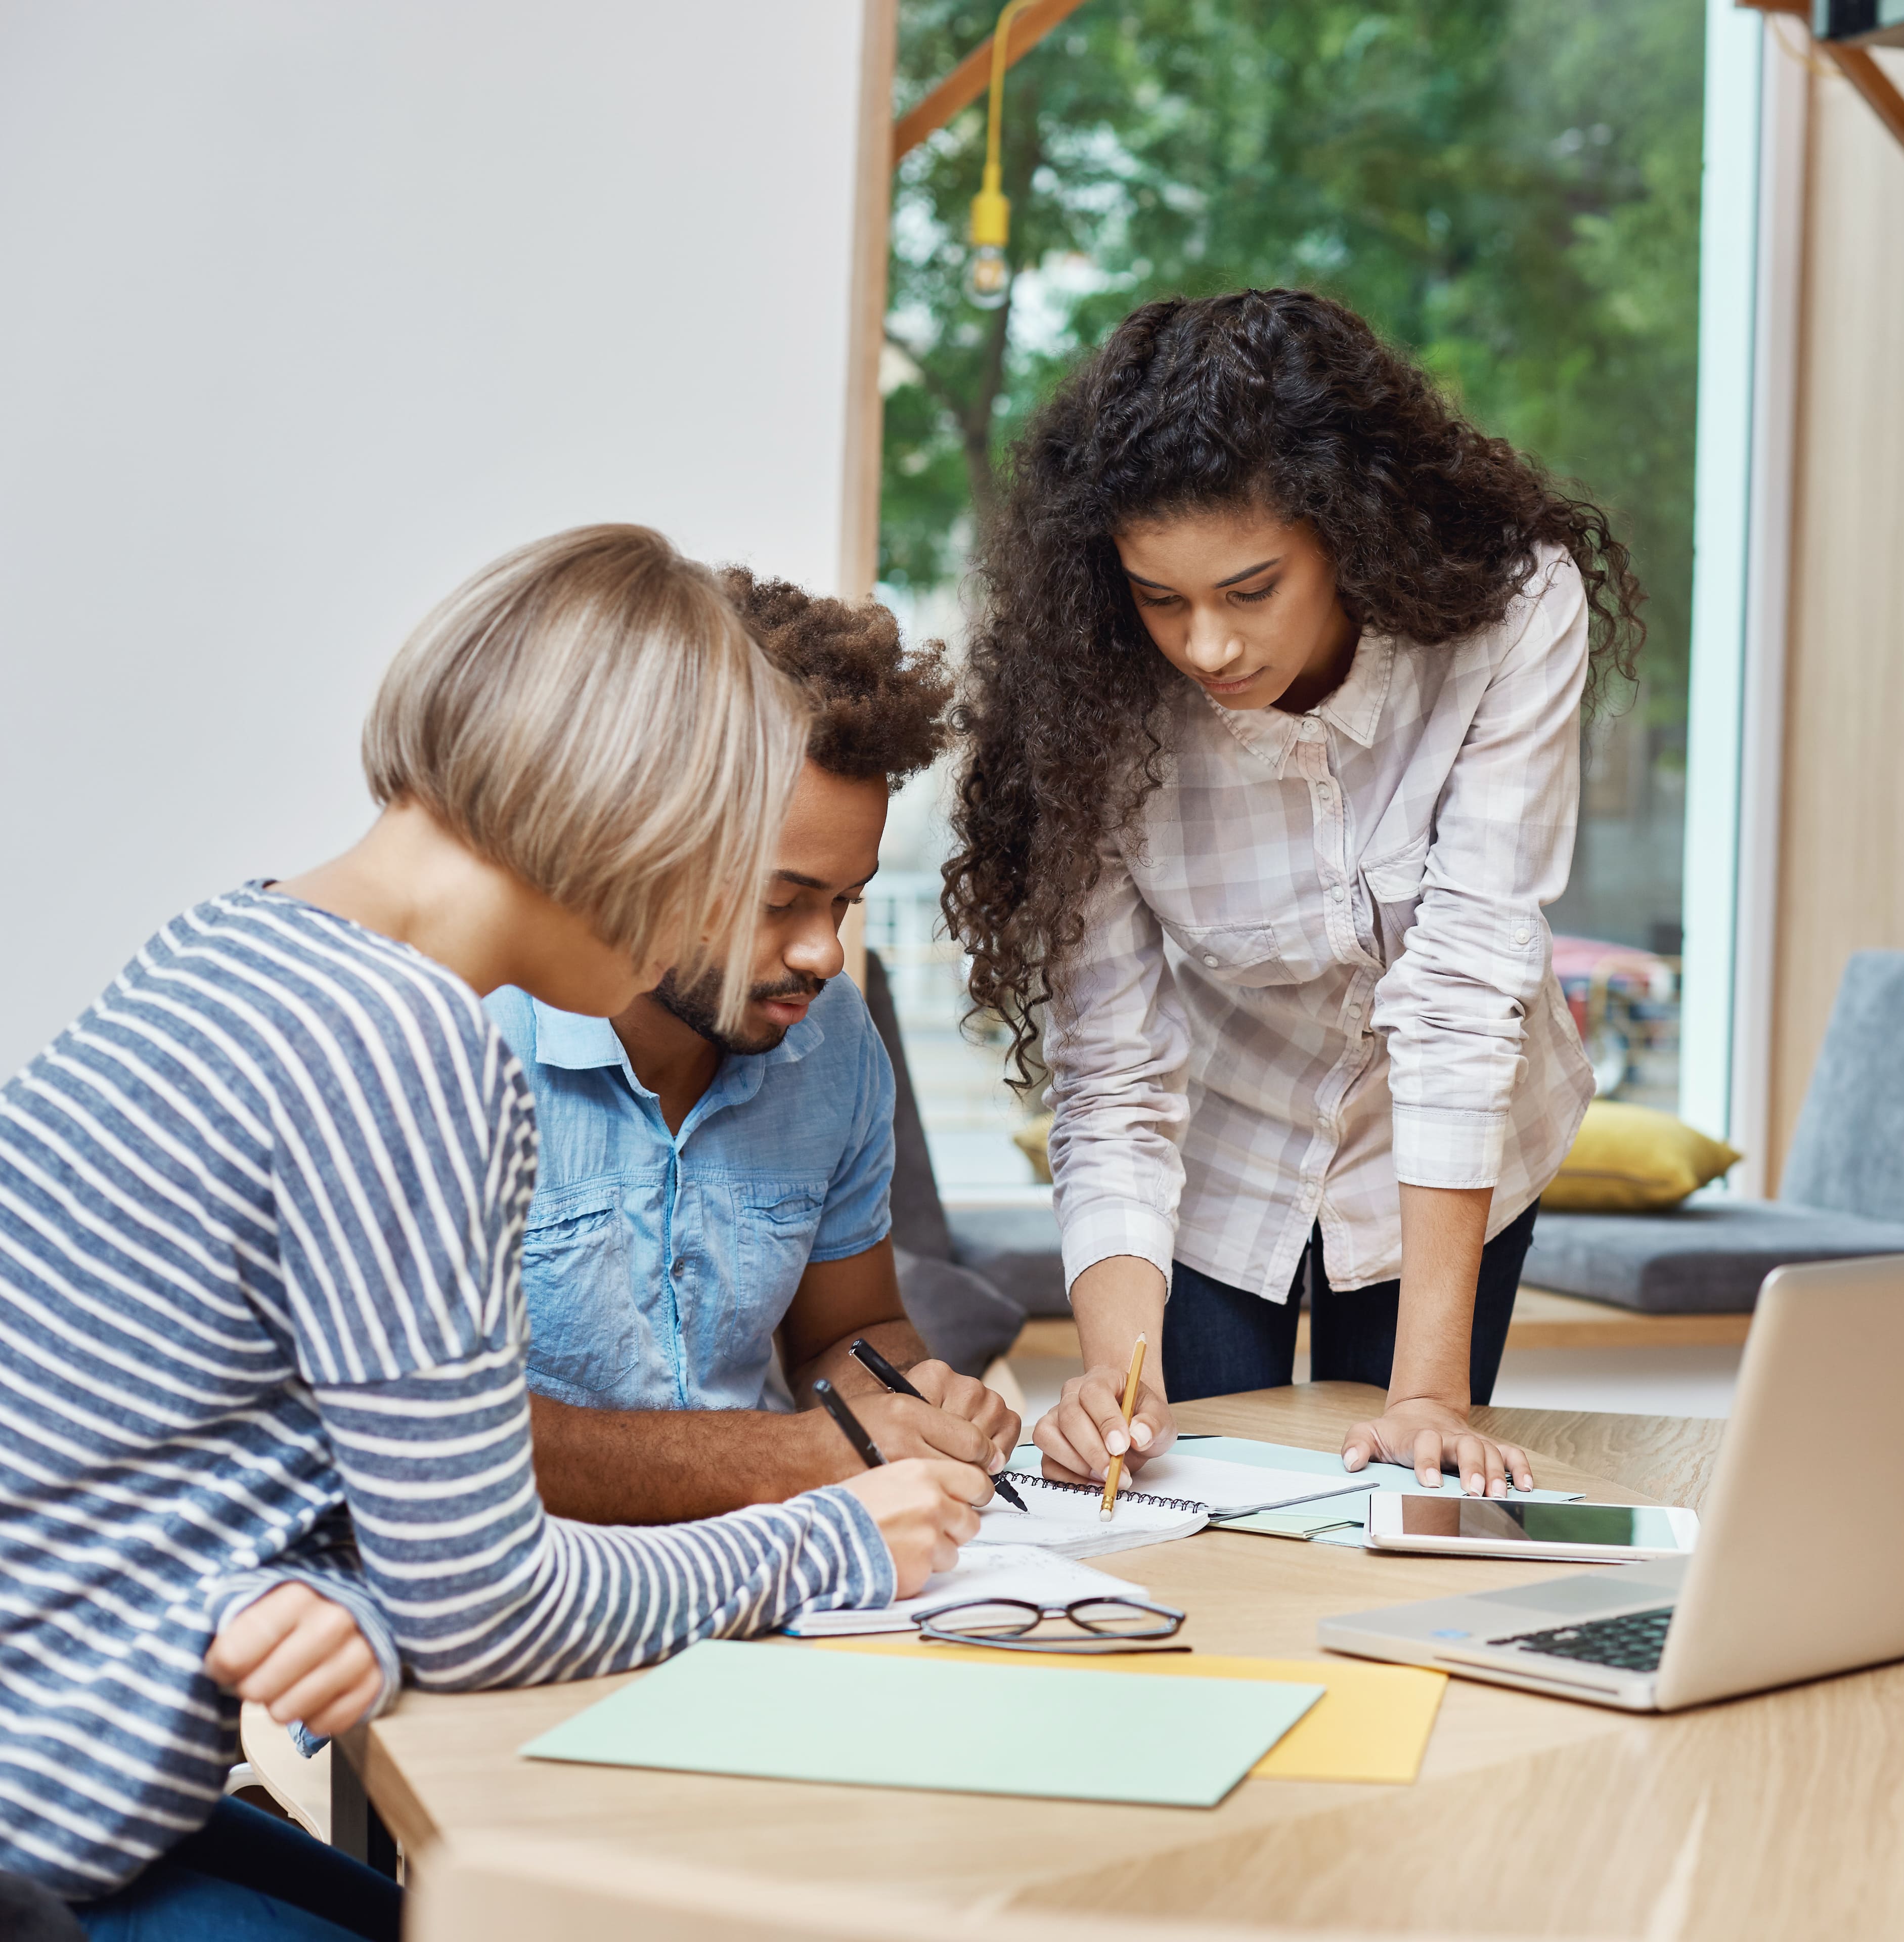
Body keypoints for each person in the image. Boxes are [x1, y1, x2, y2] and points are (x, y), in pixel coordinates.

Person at [0, 526, 988, 1936]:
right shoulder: (406, 1047)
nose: (739, 929)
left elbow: (197, 1456)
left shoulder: (230, 947)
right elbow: (489, 1610)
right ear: (633, 810)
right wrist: (837, 1538)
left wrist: (343, 1591)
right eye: (739, 866)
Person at [944, 289, 1643, 1499]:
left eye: (1249, 590)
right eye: (1163, 600)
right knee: (1182, 1503)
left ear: (1350, 532)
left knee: (1414, 1495)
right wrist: (1115, 1384)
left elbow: (1468, 992)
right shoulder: (1097, 697)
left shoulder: (1512, 612)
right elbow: (1113, 1074)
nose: (1206, 647)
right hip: (1220, 1145)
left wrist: (1430, 1399)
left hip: (1451, 1142)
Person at [486, 572, 1017, 1524]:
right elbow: (452, 1439)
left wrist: (911, 1402)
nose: (824, 953)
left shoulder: (834, 1038)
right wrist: (807, 1454)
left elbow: (850, 1332)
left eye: (844, 902)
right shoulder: (467, 1042)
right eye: (781, 903)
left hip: (784, 1576)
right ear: (644, 847)